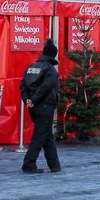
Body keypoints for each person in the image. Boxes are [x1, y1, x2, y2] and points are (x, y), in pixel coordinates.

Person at [19, 39, 61, 174]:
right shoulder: (51, 71)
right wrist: (34, 100)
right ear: (54, 55)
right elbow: (45, 88)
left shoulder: (30, 68)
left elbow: (22, 85)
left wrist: (27, 100)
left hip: (33, 107)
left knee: (46, 134)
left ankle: (55, 165)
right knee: (40, 136)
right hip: (44, 107)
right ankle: (29, 164)